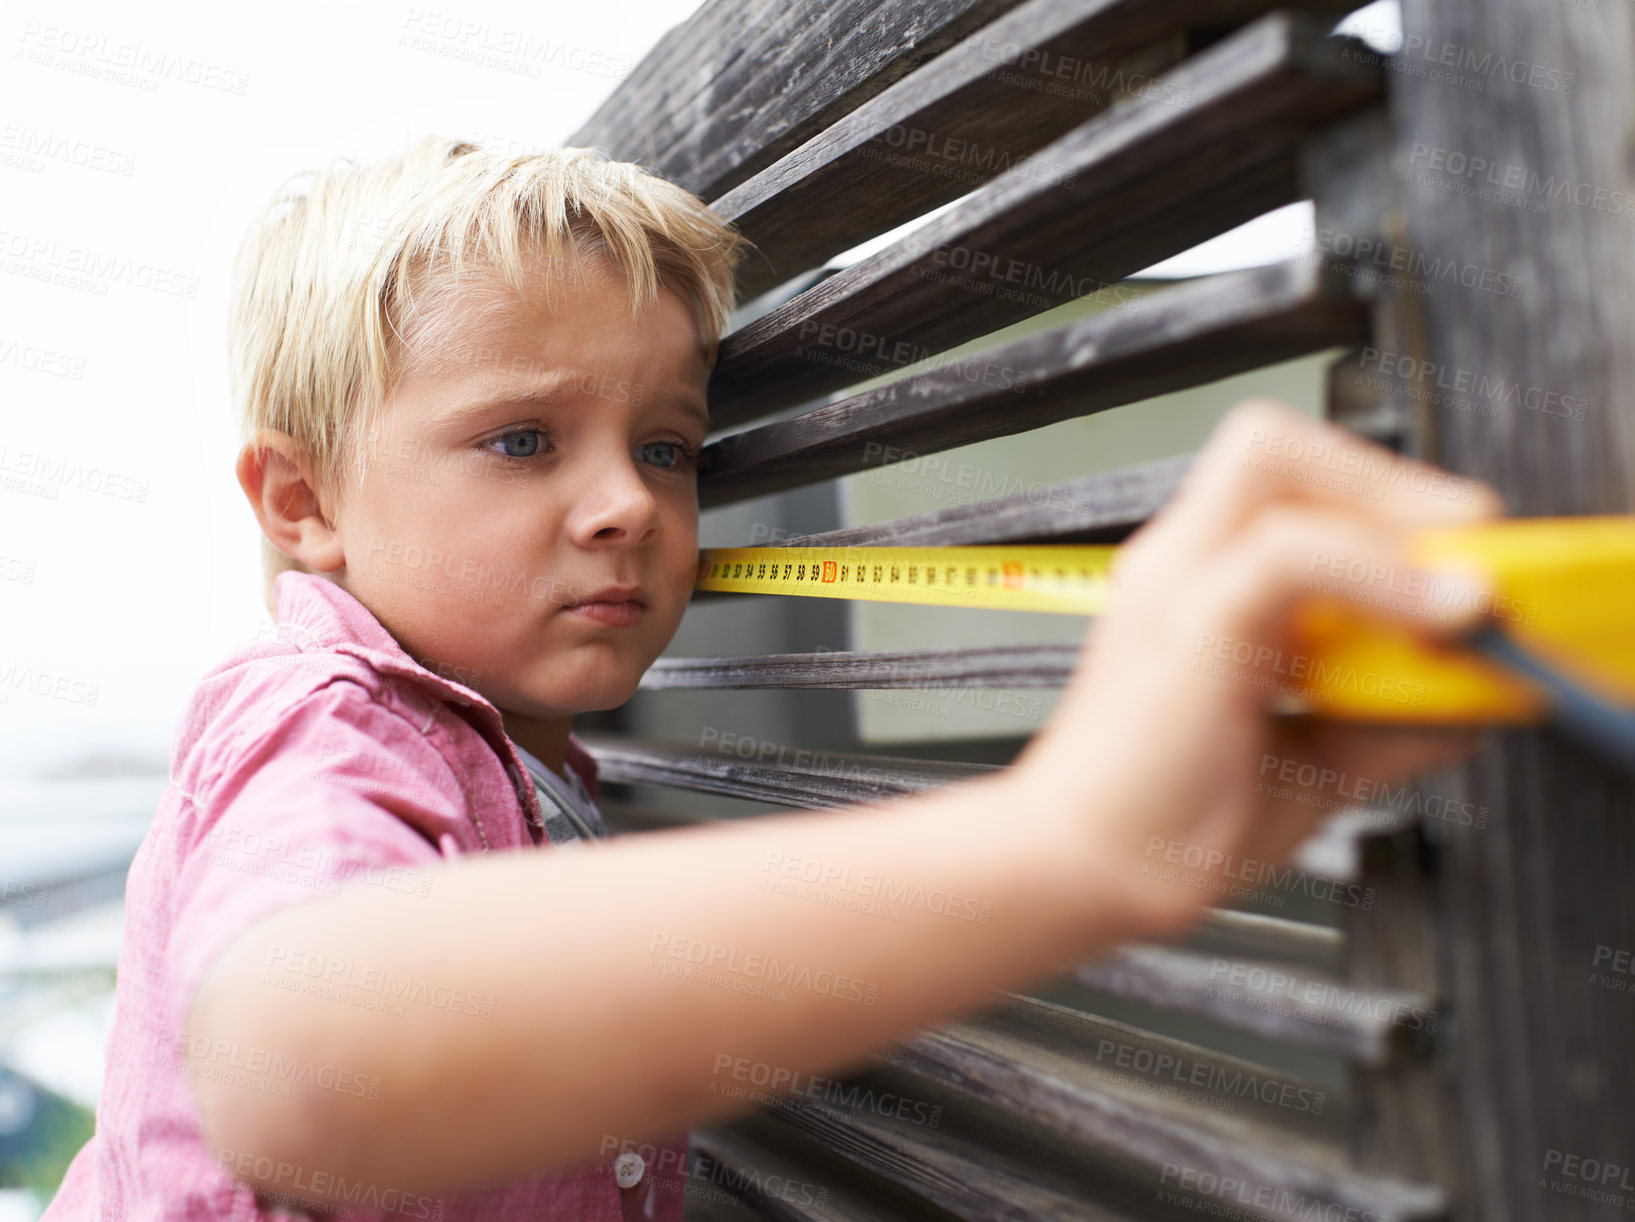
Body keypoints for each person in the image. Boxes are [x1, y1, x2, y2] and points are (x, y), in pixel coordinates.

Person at [43, 136, 1501, 1221]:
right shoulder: (327, 725)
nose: (626, 503)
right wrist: (1069, 835)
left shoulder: (521, 753)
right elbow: (302, 1049)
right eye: (522, 441)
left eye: (668, 447)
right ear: (304, 506)